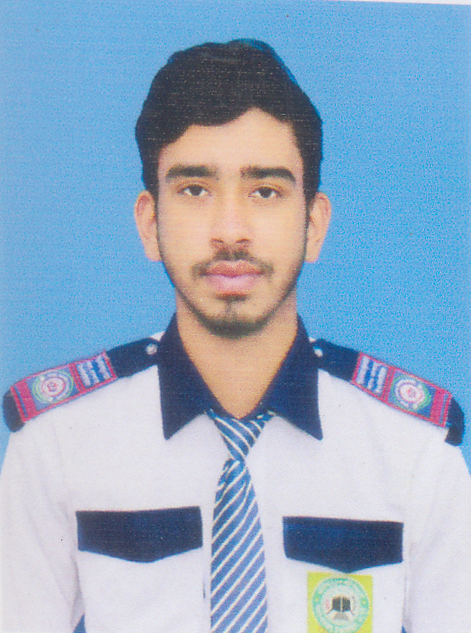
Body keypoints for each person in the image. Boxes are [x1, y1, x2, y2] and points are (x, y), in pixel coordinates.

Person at [1, 39, 470, 633]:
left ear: (313, 224)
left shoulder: (413, 454)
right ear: (150, 222)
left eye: (265, 191)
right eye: (195, 189)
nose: (230, 230)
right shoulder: (57, 445)